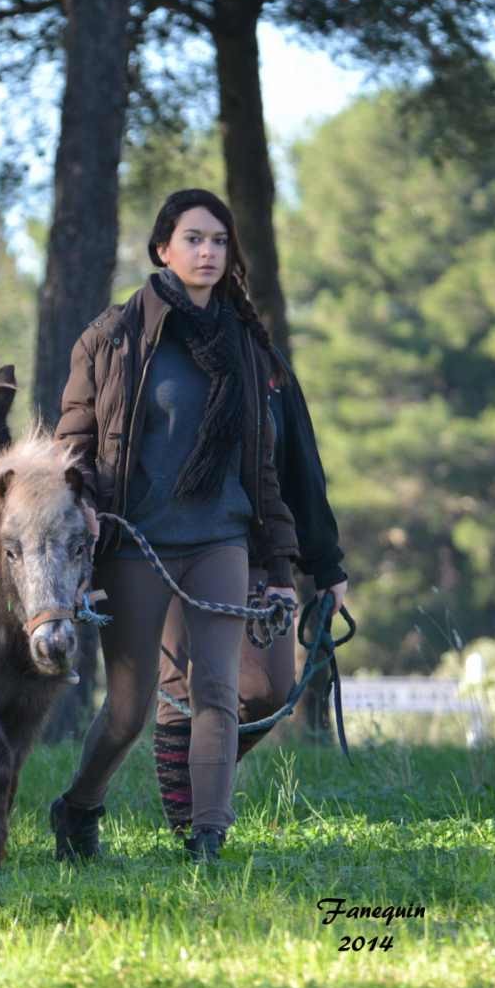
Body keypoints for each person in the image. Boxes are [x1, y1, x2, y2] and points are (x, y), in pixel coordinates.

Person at [50, 188, 300, 862]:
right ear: (162, 248)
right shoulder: (112, 337)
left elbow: (263, 467)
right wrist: (80, 540)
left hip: (220, 538)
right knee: (128, 710)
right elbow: (73, 452)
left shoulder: (245, 343)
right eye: (192, 239)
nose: (207, 252)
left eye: (218, 241)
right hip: (135, 546)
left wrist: (278, 569)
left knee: (216, 692)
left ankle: (207, 839)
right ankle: (76, 807)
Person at [151, 355, 350, 833]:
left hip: (259, 551)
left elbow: (302, 469)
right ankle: (194, 827)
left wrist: (325, 564)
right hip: (174, 544)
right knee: (180, 689)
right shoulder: (159, 355)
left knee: (268, 690)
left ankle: (205, 777)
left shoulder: (271, 371)